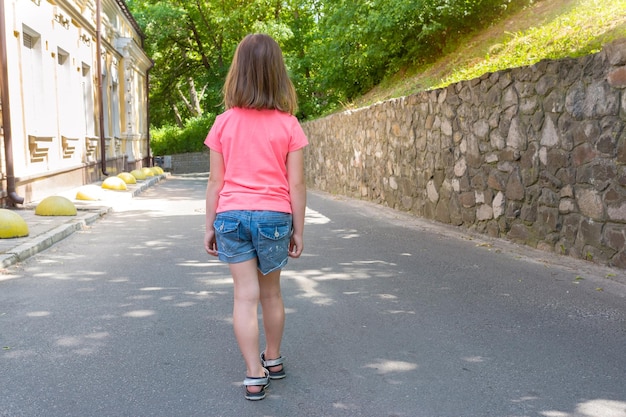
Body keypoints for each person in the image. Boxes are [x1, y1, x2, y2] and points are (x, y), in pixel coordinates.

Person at [203, 33, 308, 401]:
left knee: (243, 296)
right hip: (274, 216)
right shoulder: (289, 125)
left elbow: (216, 181)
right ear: (277, 74)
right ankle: (274, 359)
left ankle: (253, 374)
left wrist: (209, 226)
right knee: (271, 293)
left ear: (238, 72)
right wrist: (299, 229)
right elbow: (296, 184)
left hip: (230, 214)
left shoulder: (223, 123)